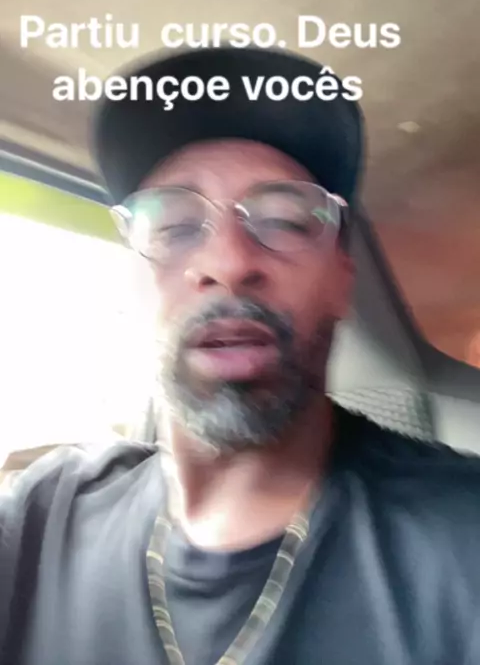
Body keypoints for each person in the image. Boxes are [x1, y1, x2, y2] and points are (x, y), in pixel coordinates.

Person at [1, 46, 480, 665]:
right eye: (173, 225)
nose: (228, 263)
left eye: (284, 220)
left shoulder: (464, 535)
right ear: (132, 278)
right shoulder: (44, 514)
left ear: (342, 278)